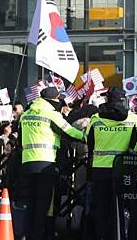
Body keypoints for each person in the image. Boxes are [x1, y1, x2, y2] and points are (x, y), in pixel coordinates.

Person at [18, 86, 84, 240]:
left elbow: (20, 138)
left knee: (29, 201)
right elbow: (69, 131)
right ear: (52, 100)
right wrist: (85, 137)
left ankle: (26, 234)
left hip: (27, 163)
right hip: (45, 163)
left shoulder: (26, 114)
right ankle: (38, 235)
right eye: (57, 99)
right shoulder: (52, 114)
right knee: (43, 203)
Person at [85, 87, 137, 240]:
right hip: (123, 169)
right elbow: (135, 145)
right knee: (122, 207)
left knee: (101, 209)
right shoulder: (134, 119)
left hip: (100, 169)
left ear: (107, 99)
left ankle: (101, 236)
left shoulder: (96, 118)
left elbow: (89, 142)